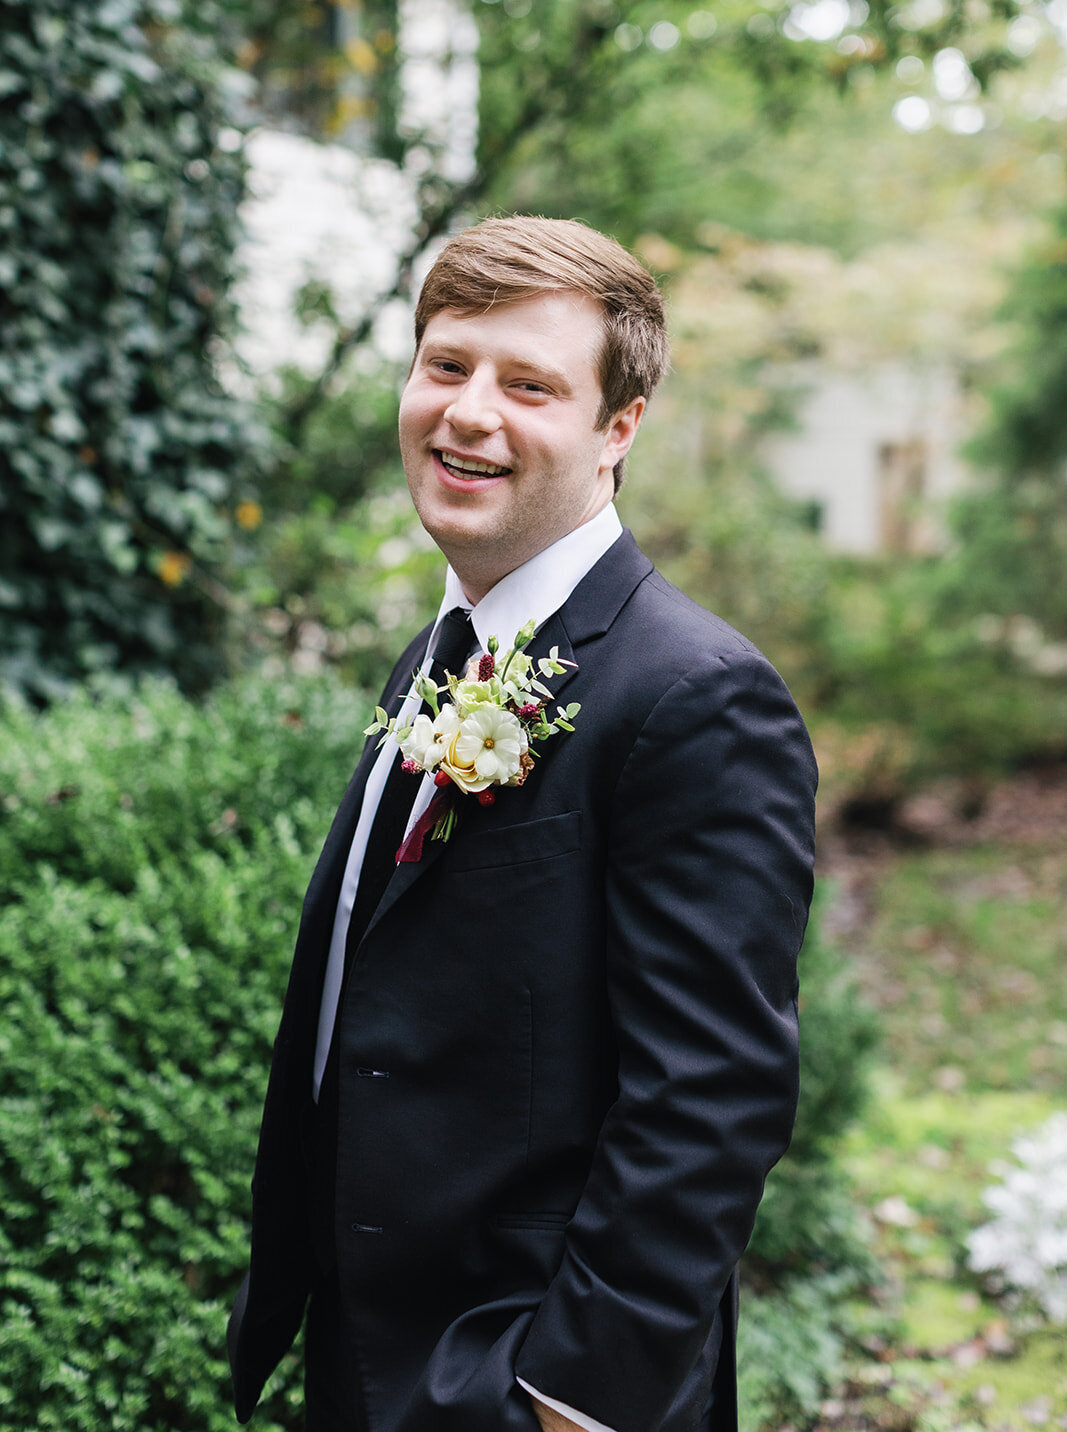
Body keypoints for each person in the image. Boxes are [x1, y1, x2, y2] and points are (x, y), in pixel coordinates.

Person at [227, 216, 817, 1432]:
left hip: (515, 1373)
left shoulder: (694, 696)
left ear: (618, 427)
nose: (467, 413)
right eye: (446, 365)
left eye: (528, 384)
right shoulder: (440, 654)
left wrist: (565, 1398)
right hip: (368, 1350)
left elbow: (711, 1095)